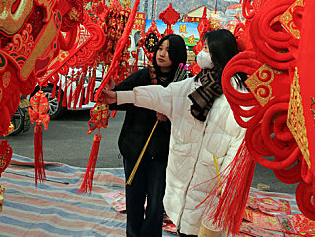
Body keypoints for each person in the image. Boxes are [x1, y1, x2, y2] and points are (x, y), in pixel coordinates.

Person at [103, 29, 246, 237]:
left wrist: (228, 187)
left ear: (218, 52)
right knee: (171, 217)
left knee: (178, 216)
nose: (201, 52)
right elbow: (161, 95)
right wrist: (118, 97)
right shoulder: (193, 84)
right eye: (160, 48)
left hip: (209, 182)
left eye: (205, 48)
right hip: (179, 174)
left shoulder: (236, 95)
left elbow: (237, 144)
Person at [110, 34, 187, 237]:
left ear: (178, 55)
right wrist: (109, 89)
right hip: (134, 149)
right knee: (134, 200)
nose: (162, 54)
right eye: (160, 48)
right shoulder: (143, 76)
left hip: (162, 155)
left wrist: (169, 115)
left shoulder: (183, 84)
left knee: (156, 203)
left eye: (168, 50)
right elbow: (116, 99)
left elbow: (189, 119)